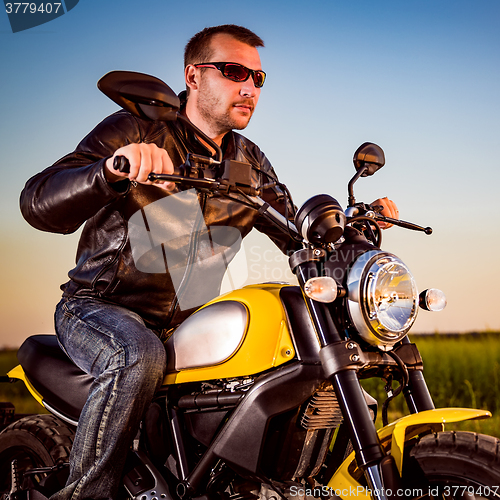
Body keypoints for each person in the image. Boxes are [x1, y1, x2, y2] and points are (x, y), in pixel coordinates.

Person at [20, 24, 399, 500]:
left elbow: (297, 235)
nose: (249, 87)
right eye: (235, 72)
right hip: (101, 308)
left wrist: (357, 232)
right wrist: (110, 170)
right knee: (138, 355)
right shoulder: (139, 128)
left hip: (186, 320)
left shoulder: (251, 163)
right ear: (194, 76)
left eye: (258, 79)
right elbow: (36, 201)